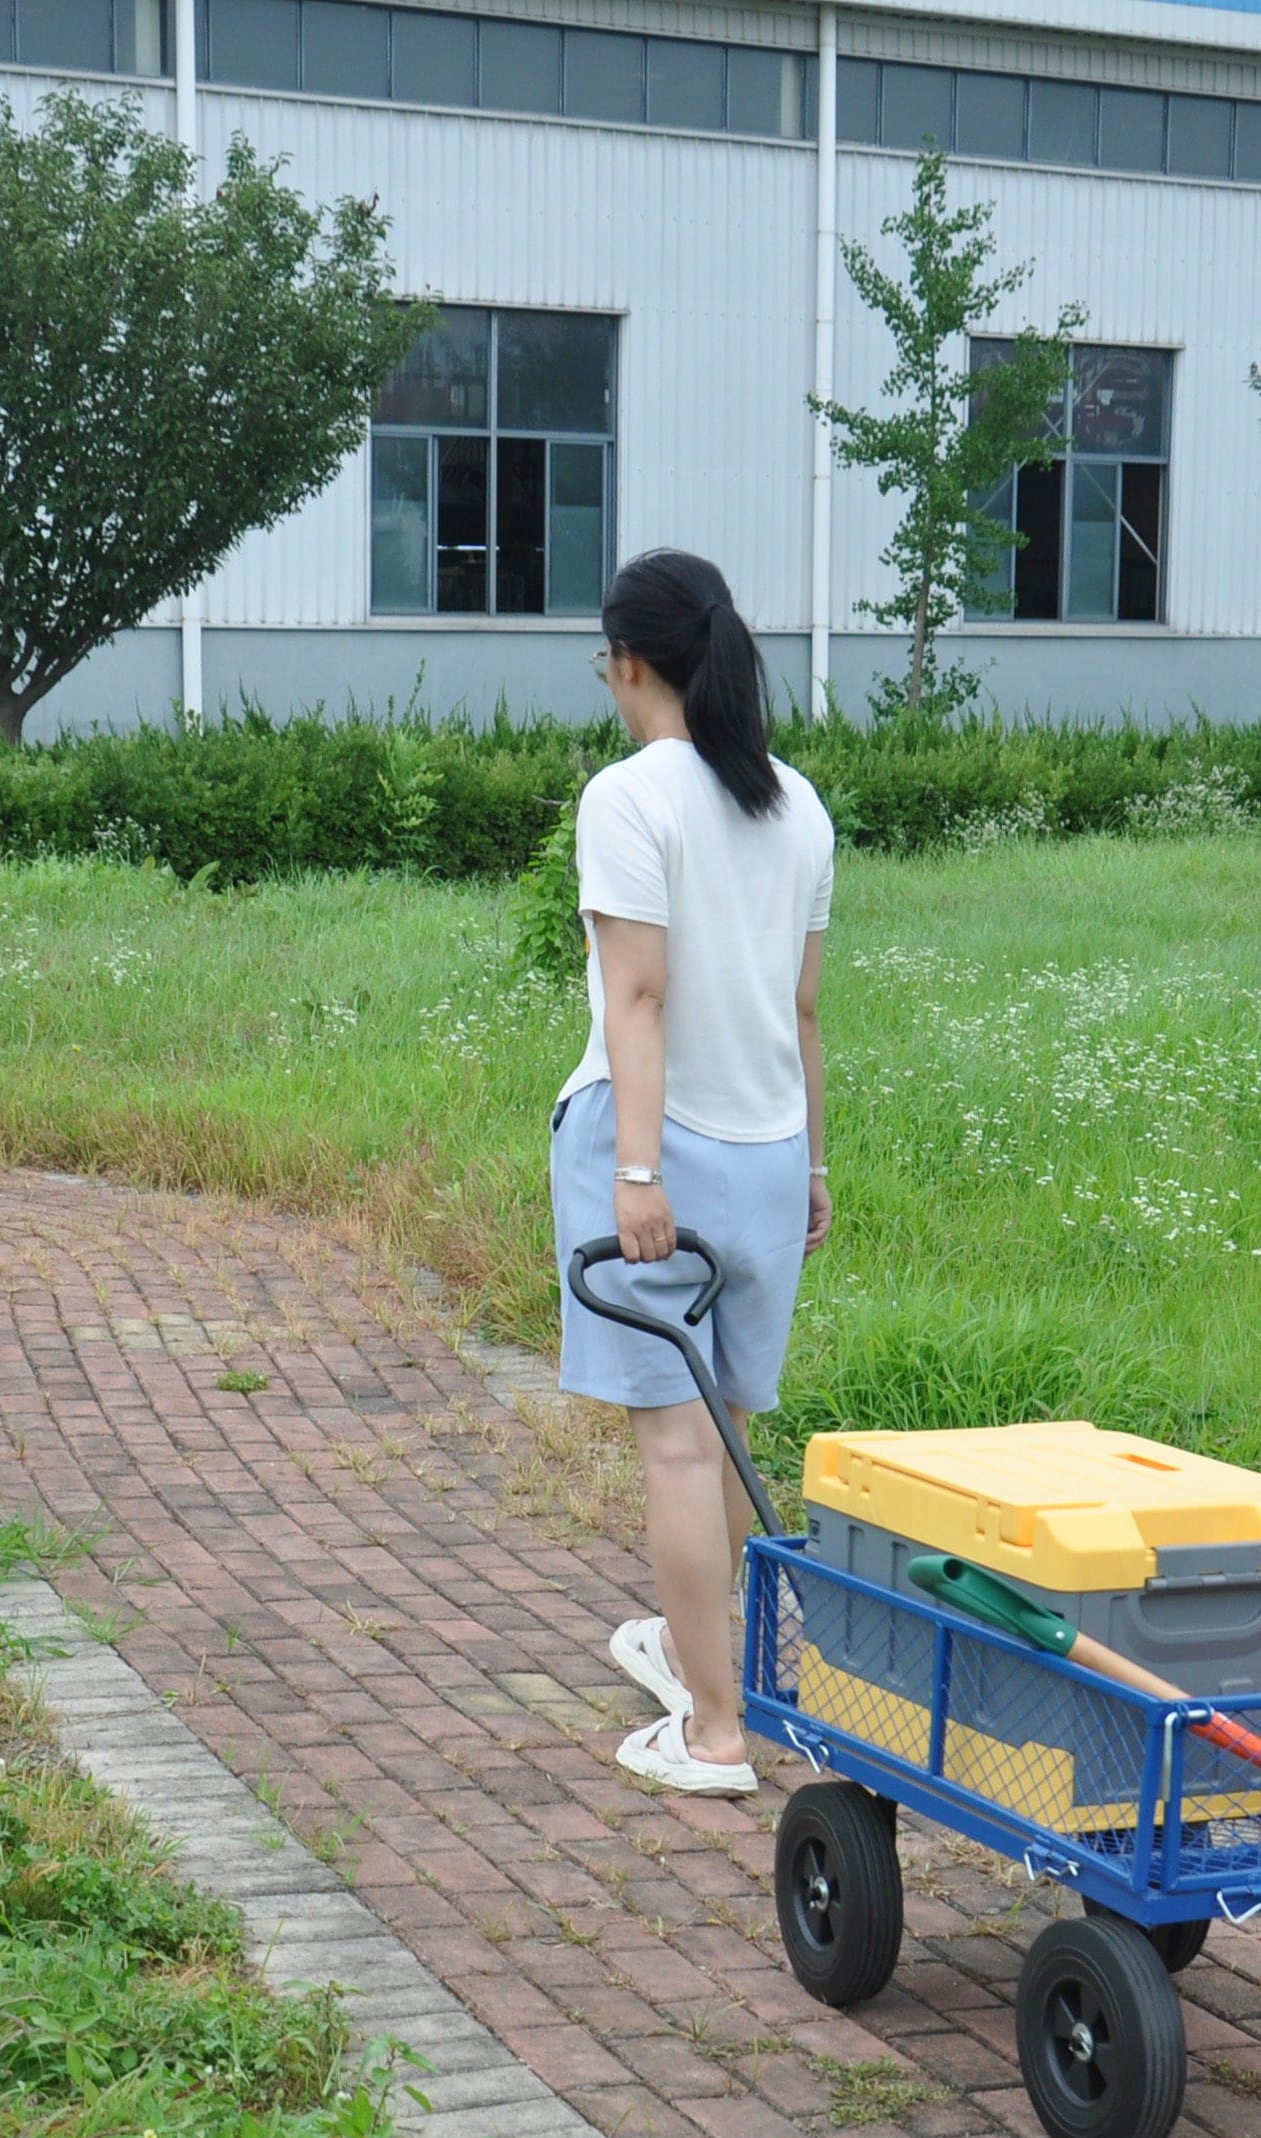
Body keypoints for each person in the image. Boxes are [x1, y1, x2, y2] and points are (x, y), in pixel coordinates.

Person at [550, 549, 833, 1794]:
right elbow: (806, 1009)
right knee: (724, 1437)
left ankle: (716, 1733)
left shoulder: (628, 796)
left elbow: (640, 995)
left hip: (666, 1150)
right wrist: (815, 1165)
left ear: (627, 663)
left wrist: (633, 1170)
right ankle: (697, 1654)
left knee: (676, 1447)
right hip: (774, 1153)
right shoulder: (797, 803)